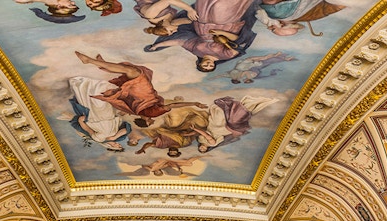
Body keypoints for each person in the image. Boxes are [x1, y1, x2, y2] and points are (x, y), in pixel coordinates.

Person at [74, 51, 208, 125]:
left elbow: (172, 105)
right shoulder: (137, 113)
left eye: (150, 123)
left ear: (147, 121)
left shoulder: (153, 114)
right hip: (141, 93)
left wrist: (194, 103)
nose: (152, 122)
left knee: (134, 72)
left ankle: (89, 61)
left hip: (144, 92)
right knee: (132, 71)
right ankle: (102, 63)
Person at [144, 0, 259, 72]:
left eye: (205, 66)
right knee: (220, 5)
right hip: (225, 25)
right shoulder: (226, 55)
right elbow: (239, 42)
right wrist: (222, 34)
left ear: (199, 63)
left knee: (203, 3)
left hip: (202, 23)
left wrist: (157, 45)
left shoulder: (197, 51)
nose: (208, 65)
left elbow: (179, 41)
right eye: (210, 67)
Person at [193, 95, 276, 152]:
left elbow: (203, 133)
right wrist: (195, 129)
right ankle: (246, 106)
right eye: (203, 150)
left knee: (218, 113)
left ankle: (241, 106)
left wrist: (191, 131)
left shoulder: (199, 140)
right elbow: (207, 136)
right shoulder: (212, 144)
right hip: (220, 130)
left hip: (212, 126)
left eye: (200, 149)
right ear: (206, 149)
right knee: (231, 119)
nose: (202, 148)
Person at [68, 76, 131, 150]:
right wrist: (115, 137)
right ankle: (97, 87)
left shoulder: (99, 139)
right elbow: (126, 129)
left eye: (118, 147)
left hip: (95, 118)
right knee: (103, 102)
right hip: (109, 116)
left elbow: (88, 129)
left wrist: (80, 121)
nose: (118, 144)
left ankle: (87, 87)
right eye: (120, 146)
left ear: (112, 147)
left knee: (94, 104)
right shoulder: (118, 137)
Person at [255, 0, 346, 37]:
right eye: (273, 29)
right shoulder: (278, 13)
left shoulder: (278, 13)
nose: (269, 27)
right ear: (283, 24)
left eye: (272, 30)